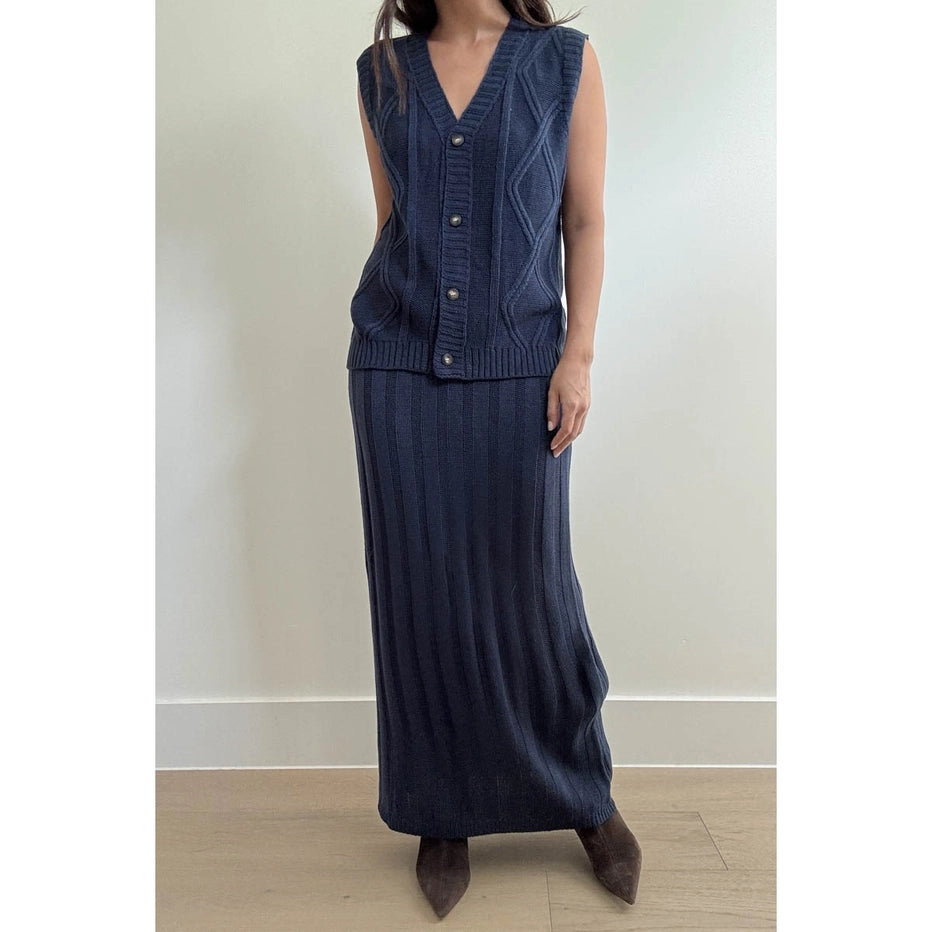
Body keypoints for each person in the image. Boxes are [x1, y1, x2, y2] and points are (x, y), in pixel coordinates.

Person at [347, 0, 641, 918]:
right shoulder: (381, 73)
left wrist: (577, 356)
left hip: (523, 370)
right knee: (421, 602)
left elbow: (583, 221)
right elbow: (393, 222)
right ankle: (441, 813)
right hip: (396, 368)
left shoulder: (564, 63)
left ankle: (583, 796)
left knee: (535, 595)